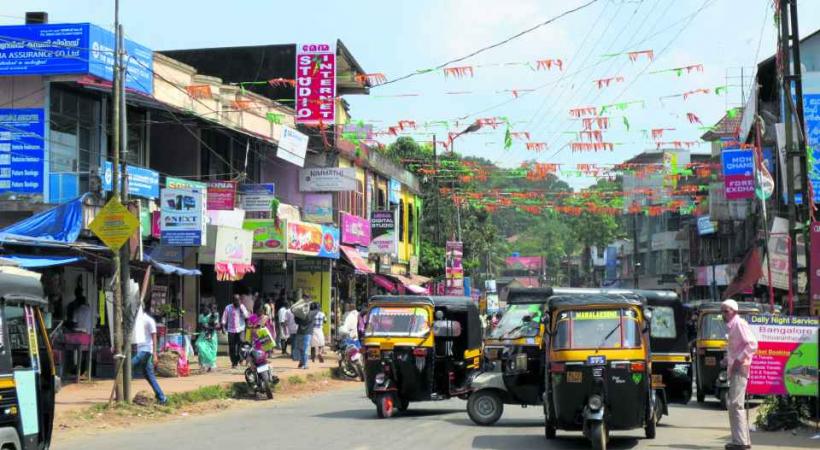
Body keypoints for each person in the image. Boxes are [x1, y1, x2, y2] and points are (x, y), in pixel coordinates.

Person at [721, 299, 758, 450]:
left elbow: (753, 344)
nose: (723, 314)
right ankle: (740, 440)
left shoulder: (739, 324)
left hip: (740, 368)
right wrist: (728, 360)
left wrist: (738, 360)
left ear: (734, 312)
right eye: (722, 311)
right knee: (734, 404)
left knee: (736, 404)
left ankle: (741, 442)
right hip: (736, 367)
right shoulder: (732, 326)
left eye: (726, 311)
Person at [132, 306, 167, 405]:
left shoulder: (149, 320)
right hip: (140, 349)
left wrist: (155, 354)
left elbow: (154, 337)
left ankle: (122, 395)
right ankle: (162, 397)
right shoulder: (136, 321)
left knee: (128, 366)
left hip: (146, 350)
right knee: (149, 376)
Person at [221, 294, 250, 369]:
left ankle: (240, 358)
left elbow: (247, 316)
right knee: (232, 347)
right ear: (233, 301)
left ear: (240, 300)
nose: (236, 302)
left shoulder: (242, 307)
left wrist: (241, 310)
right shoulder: (228, 307)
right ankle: (234, 362)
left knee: (241, 343)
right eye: (235, 300)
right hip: (231, 330)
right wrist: (223, 327)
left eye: (238, 300)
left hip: (241, 329)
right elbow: (224, 317)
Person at [196, 304, 220, 372]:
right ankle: (203, 364)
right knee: (201, 347)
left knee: (212, 350)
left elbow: (216, 326)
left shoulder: (214, 316)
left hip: (212, 336)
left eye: (206, 309)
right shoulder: (200, 316)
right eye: (203, 309)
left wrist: (209, 328)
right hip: (203, 335)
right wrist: (203, 327)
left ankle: (211, 364)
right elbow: (199, 326)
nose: (204, 310)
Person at [295, 303, 318, 369]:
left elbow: (296, 321)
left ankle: (303, 363)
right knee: (305, 349)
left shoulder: (300, 315)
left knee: (301, 349)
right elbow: (317, 310)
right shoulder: (313, 313)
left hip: (300, 333)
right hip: (307, 333)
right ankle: (304, 363)